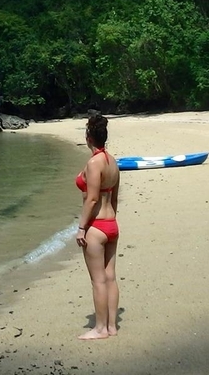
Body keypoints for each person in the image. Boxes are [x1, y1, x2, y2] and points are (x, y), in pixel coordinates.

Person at [75, 114, 120, 339]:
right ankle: (112, 326)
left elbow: (92, 199)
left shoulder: (94, 163)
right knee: (110, 276)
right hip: (111, 224)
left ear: (88, 137)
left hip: (96, 226)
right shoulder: (113, 162)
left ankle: (100, 328)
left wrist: (82, 227)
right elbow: (113, 199)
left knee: (98, 279)